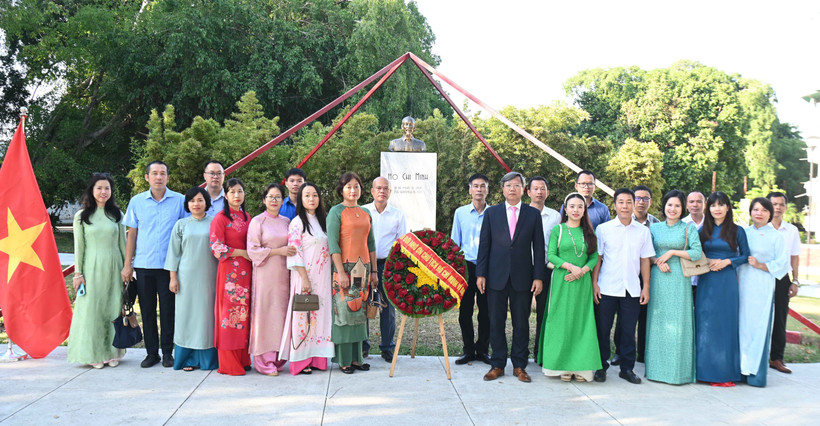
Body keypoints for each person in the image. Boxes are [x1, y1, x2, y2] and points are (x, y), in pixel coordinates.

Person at [477, 171, 545, 383]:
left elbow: (539, 248)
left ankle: (519, 365)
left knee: (521, 322)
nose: (512, 189)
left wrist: (538, 276)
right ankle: (497, 364)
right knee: (496, 321)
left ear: (523, 189)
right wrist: (480, 273)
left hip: (523, 276)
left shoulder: (532, 214)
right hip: (495, 275)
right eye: (508, 185)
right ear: (502, 189)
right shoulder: (492, 213)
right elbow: (484, 246)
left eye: (516, 185)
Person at [122, 161, 187, 368]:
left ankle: (168, 352)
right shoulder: (137, 201)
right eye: (155, 173)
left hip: (170, 267)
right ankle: (152, 353)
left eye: (163, 173)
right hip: (144, 265)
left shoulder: (179, 201)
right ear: (147, 177)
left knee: (168, 311)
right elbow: (132, 235)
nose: (159, 177)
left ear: (168, 177)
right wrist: (127, 265)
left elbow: (186, 232)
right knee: (148, 310)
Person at [592, 188, 654, 384]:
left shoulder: (643, 231)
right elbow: (598, 259)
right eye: (621, 202)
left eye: (629, 202)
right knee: (603, 329)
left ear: (634, 204)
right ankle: (601, 366)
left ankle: (627, 369)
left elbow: (645, 261)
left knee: (628, 331)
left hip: (632, 289)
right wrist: (594, 284)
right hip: (607, 287)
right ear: (615, 205)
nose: (625, 206)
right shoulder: (604, 229)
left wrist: (646, 287)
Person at [538, 192, 600, 382]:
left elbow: (594, 257)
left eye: (580, 207)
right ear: (565, 209)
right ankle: (561, 366)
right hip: (562, 281)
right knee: (561, 321)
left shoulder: (589, 232)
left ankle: (581, 368)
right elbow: (551, 255)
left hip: (582, 284)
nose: (576, 210)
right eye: (572, 206)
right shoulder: (559, 230)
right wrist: (570, 267)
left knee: (581, 323)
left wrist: (583, 270)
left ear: (584, 210)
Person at [68, 174, 126, 368]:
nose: (103, 192)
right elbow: (79, 248)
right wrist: (78, 274)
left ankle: (112, 352)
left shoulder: (117, 214)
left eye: (107, 188)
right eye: (99, 188)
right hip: (91, 268)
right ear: (92, 190)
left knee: (113, 307)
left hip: (114, 267)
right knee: (92, 310)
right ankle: (93, 354)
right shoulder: (82, 216)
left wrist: (127, 268)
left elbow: (123, 244)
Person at [644, 190, 701, 384]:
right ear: (664, 206)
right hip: (658, 278)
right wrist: (659, 261)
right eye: (669, 205)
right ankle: (655, 371)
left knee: (678, 324)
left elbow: (696, 253)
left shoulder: (688, 229)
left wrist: (672, 253)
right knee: (658, 323)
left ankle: (678, 372)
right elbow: (647, 254)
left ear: (682, 208)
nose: (673, 209)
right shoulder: (655, 228)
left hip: (679, 279)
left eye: (677, 205)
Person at [696, 191, 750, 386]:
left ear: (728, 207)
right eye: (712, 205)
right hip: (707, 280)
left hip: (727, 282)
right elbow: (695, 253)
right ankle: (705, 372)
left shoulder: (738, 231)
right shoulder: (703, 230)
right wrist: (708, 260)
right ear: (708, 208)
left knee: (726, 325)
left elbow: (746, 256)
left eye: (721, 205)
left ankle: (725, 373)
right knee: (706, 324)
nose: (717, 209)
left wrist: (727, 261)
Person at [280, 182, 334, 375]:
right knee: (303, 316)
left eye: (315, 195)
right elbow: (295, 253)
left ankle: (318, 359)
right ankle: (301, 361)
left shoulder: (324, 221)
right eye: (307, 196)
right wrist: (304, 278)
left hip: (323, 278)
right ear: (301, 200)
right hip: (306, 276)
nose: (312, 199)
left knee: (320, 317)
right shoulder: (297, 223)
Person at [327, 172, 377, 374]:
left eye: (356, 186)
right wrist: (340, 272)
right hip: (345, 268)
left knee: (359, 313)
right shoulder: (335, 212)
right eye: (348, 186)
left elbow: (371, 243)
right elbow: (333, 244)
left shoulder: (365, 212)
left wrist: (373, 271)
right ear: (341, 189)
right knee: (345, 312)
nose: (353, 190)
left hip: (363, 269)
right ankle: (344, 360)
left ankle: (357, 358)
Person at [164, 187, 218, 371]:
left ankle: (207, 359)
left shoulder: (215, 223)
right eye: (192, 200)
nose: (196, 204)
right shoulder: (181, 225)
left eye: (200, 200)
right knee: (186, 316)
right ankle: (187, 359)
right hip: (185, 278)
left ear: (206, 203)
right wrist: (173, 278)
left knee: (206, 317)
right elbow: (173, 253)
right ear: (187, 204)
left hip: (210, 276)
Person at [738, 198, 789, 387]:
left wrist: (760, 265)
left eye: (764, 210)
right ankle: (739, 370)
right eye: (755, 209)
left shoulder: (775, 236)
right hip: (741, 285)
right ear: (750, 212)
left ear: (770, 213)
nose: (759, 213)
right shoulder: (743, 232)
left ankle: (755, 374)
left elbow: (783, 264)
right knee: (741, 327)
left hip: (762, 288)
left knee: (757, 328)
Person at [247, 183, 296, 375]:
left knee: (281, 315)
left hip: (284, 275)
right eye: (270, 196)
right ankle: (263, 361)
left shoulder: (286, 221)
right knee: (265, 315)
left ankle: (279, 359)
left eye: (277, 197)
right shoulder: (258, 222)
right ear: (264, 200)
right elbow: (253, 250)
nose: (274, 200)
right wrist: (279, 251)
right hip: (265, 274)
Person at [612, 185, 660, 367]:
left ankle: (642, 352)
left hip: (646, 274)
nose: (641, 202)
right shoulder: (621, 221)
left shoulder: (656, 225)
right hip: (623, 274)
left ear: (650, 202)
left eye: (645, 199)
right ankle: (619, 352)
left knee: (643, 316)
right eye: (637, 198)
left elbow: (650, 253)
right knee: (623, 317)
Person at [209, 178, 253, 376]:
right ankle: (229, 362)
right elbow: (216, 246)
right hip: (230, 275)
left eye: (240, 191)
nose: (237, 195)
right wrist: (240, 252)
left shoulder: (248, 217)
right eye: (232, 192)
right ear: (225, 196)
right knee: (230, 317)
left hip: (249, 273)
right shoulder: (220, 218)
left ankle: (243, 358)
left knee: (244, 316)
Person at [362, 177, 408, 362]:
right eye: (378, 188)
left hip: (387, 266)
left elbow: (402, 243)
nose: (382, 191)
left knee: (387, 309)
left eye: (385, 188)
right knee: (362, 305)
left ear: (390, 192)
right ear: (372, 191)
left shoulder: (397, 215)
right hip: (363, 265)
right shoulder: (363, 211)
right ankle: (363, 345)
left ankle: (387, 348)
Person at [450, 173, 491, 365]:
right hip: (466, 266)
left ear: (488, 190)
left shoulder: (494, 213)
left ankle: (483, 350)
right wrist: (455, 269)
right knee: (465, 311)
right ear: (470, 189)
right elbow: (454, 243)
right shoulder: (460, 213)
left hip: (488, 266)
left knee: (486, 311)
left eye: (483, 186)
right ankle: (468, 350)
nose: (479, 189)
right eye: (476, 186)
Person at [527, 176, 560, 364]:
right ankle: (520, 351)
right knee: (521, 312)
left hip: (546, 268)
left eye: (543, 188)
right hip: (523, 267)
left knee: (543, 312)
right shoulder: (521, 213)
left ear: (547, 192)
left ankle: (540, 351)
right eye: (536, 188)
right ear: (528, 192)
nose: (539, 192)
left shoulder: (555, 216)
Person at [767, 192, 801, 374]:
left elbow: (794, 257)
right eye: (774, 204)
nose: (778, 207)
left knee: (780, 317)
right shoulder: (760, 227)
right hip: (762, 275)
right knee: (759, 316)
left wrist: (795, 280)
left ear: (785, 207)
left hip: (782, 277)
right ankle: (756, 356)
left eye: (781, 204)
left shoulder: (792, 231)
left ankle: (776, 358)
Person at [683, 191, 706, 301]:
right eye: (691, 202)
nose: (695, 205)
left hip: (706, 277)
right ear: (687, 205)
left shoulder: (712, 225)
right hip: (686, 278)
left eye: (699, 202)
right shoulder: (682, 225)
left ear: (704, 204)